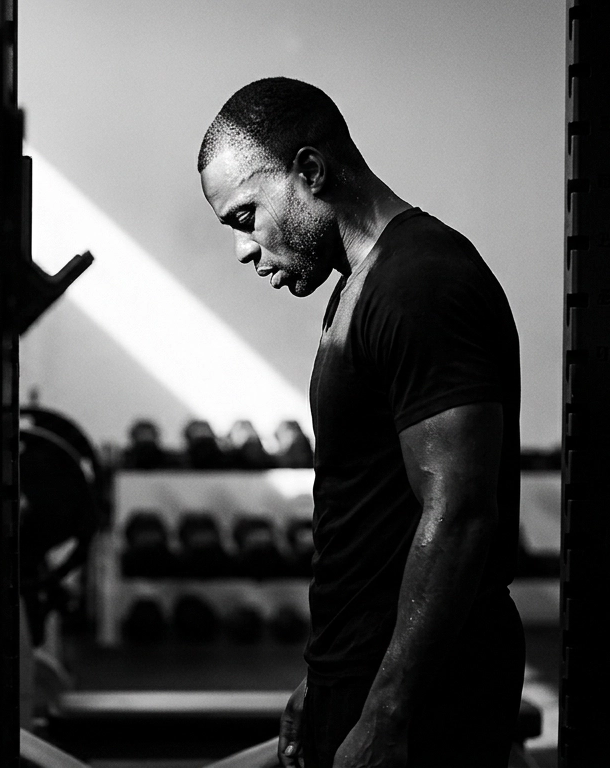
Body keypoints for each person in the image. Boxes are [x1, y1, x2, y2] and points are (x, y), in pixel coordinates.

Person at [197, 78, 524, 768]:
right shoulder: (362, 284)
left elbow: (461, 512)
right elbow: (373, 517)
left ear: (310, 170)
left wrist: (387, 713)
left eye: (245, 216)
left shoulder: (421, 285)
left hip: (426, 710)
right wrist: (326, 677)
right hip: (363, 680)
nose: (243, 251)